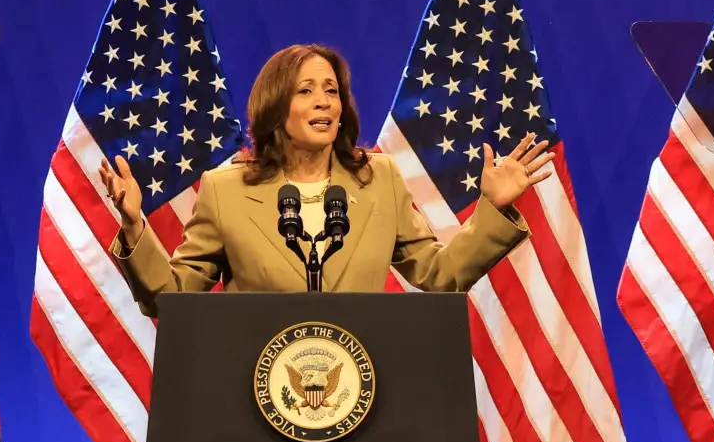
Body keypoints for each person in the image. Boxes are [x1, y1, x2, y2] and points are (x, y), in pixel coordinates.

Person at [98, 43, 554, 316]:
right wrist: (135, 226)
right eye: (306, 91)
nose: (324, 102)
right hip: (258, 400)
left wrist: (492, 210)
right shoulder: (226, 190)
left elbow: (439, 275)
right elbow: (172, 300)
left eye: (331, 90)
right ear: (277, 108)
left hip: (360, 394)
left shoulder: (379, 180)